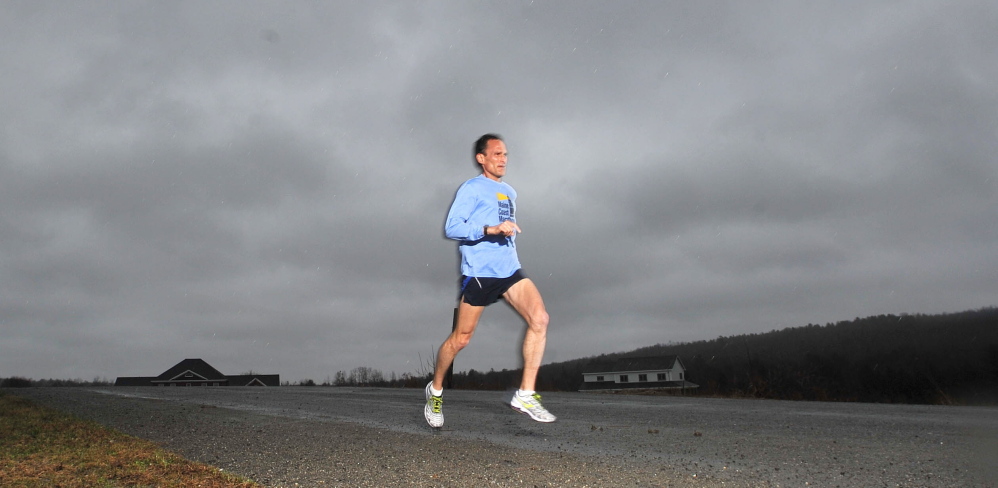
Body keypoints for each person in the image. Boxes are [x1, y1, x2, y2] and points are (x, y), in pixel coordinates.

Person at [424, 133, 556, 427]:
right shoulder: (471, 188)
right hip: (480, 272)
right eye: (496, 154)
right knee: (461, 339)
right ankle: (436, 390)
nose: (503, 159)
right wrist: (490, 229)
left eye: (505, 154)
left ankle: (525, 394)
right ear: (481, 158)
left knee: (540, 319)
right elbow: (452, 227)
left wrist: (506, 233)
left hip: (509, 269)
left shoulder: (510, 192)